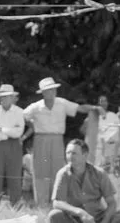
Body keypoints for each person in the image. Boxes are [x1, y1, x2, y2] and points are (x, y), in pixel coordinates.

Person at [21, 77, 83, 208]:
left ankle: (57, 202)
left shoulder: (62, 103)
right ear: (43, 93)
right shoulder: (36, 106)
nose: (51, 92)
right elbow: (22, 115)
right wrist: (31, 125)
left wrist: (95, 108)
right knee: (40, 172)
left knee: (58, 170)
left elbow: (79, 108)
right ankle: (42, 204)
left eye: (53, 89)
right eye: (48, 90)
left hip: (57, 139)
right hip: (40, 138)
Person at [0, 83, 26, 207]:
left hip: (14, 146)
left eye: (7, 96)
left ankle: (16, 205)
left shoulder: (19, 112)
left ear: (12, 97)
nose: (3, 99)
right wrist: (8, 133)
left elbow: (19, 132)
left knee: (14, 176)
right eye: (1, 97)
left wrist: (2, 129)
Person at [89, 95, 120, 169]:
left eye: (105, 101)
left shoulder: (113, 116)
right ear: (98, 103)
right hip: (97, 149)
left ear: (107, 103)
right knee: (97, 169)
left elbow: (119, 132)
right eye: (101, 101)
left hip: (111, 148)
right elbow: (83, 130)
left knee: (111, 170)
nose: (103, 103)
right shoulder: (93, 116)